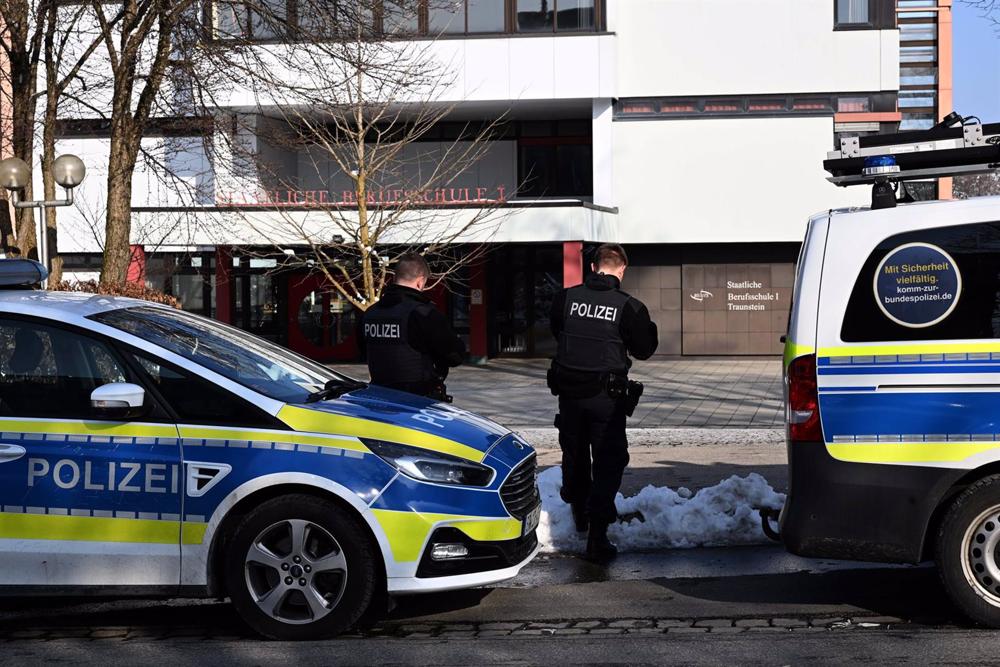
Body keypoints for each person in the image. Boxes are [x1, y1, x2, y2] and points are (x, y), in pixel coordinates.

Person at [548, 243, 659, 563]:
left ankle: (579, 515)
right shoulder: (629, 306)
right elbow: (644, 349)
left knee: (575, 455)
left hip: (569, 395)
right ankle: (597, 536)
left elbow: (558, 332)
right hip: (606, 401)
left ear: (593, 267)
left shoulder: (565, 298)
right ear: (621, 271)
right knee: (609, 461)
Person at [362, 252, 465, 401]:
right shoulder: (424, 314)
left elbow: (365, 351)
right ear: (420, 281)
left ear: (395, 278)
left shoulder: (370, 314)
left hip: (379, 399)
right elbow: (454, 356)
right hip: (418, 402)